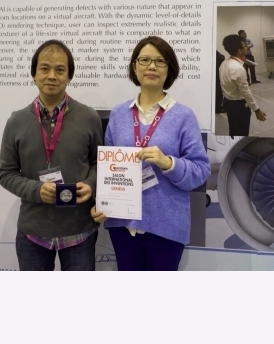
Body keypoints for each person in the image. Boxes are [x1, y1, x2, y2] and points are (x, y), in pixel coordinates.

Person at [90, 36, 210, 271]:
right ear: (134, 67)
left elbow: (201, 170)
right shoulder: (119, 114)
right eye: (144, 60)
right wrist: (101, 202)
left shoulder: (184, 116)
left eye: (160, 61)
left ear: (169, 69)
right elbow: (107, 170)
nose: (152, 66)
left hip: (166, 226)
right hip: (122, 225)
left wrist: (169, 163)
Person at [0, 40, 103, 271]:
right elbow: (6, 173)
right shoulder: (16, 121)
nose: (52, 76)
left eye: (60, 70)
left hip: (79, 231)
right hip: (33, 233)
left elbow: (99, 163)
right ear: (34, 74)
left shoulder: (89, 117)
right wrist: (36, 190)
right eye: (44, 68)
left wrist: (91, 184)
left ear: (69, 76)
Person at [219, 34, 266, 136]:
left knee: (233, 131)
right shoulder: (238, 69)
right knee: (242, 133)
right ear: (239, 50)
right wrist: (257, 110)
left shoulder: (224, 63)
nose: (247, 47)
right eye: (245, 46)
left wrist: (243, 61)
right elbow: (246, 92)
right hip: (239, 107)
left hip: (228, 103)